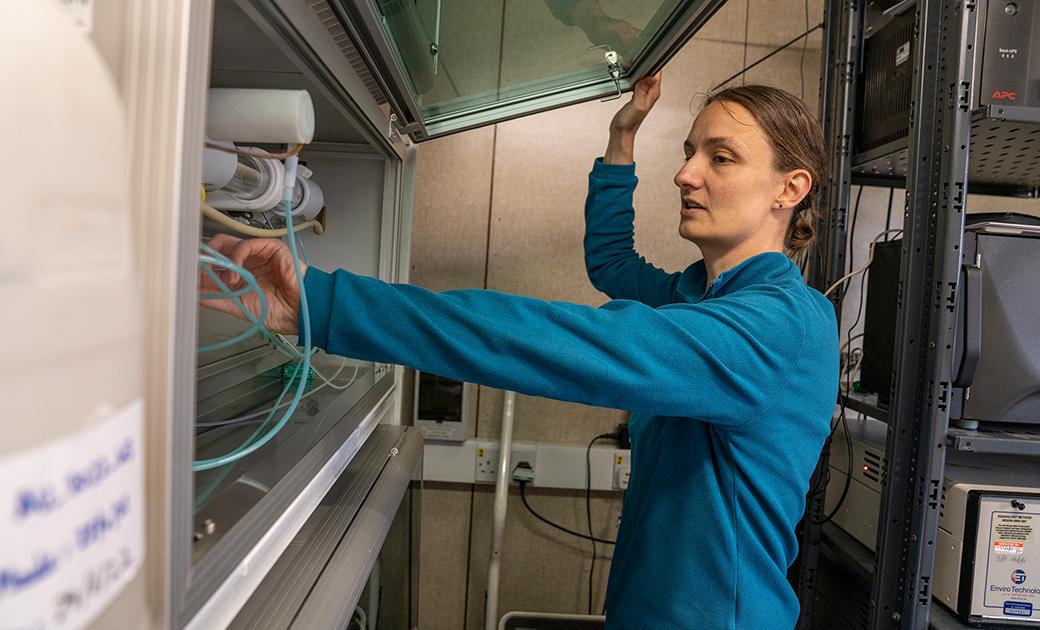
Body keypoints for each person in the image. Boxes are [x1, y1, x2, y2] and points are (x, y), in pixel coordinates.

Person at [201, 73, 839, 629]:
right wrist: (621, 141)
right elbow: (614, 261)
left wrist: (323, 302)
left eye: (720, 158)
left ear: (789, 189)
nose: (685, 172)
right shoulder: (697, 296)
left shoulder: (776, 331)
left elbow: (563, 341)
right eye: (689, 150)